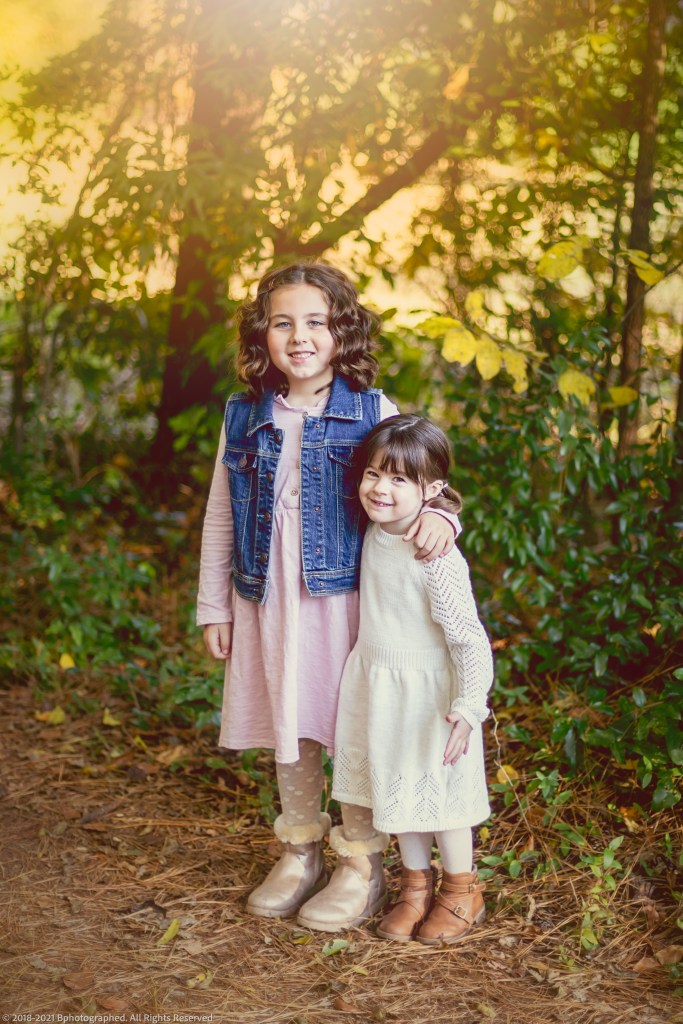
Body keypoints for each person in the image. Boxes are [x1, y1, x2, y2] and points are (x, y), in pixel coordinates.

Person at [197, 263, 461, 928]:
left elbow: (425, 484)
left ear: (343, 331)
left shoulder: (373, 410)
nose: (300, 337)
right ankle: (299, 849)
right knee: (289, 722)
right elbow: (221, 513)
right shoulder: (243, 413)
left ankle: (360, 861)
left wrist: (444, 519)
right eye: (282, 323)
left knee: (352, 723)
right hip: (268, 599)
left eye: (316, 322)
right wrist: (214, 604)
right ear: (261, 335)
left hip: (346, 603)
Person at [323, 414, 493, 944]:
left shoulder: (435, 557)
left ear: (432, 489)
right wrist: (443, 512)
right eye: (374, 473)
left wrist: (469, 707)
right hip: (380, 687)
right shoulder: (374, 530)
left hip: (430, 696)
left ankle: (462, 890)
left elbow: (469, 638)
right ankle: (415, 888)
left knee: (442, 800)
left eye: (399, 479)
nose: (380, 488)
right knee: (398, 795)